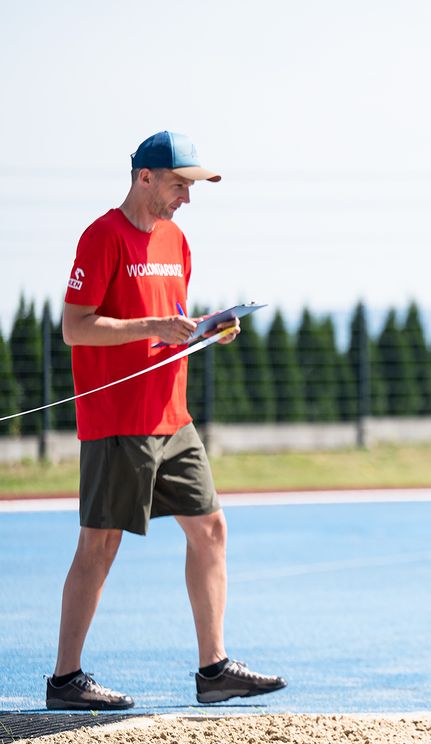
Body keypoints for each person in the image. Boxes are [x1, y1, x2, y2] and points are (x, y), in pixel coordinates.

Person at [46, 131, 286, 710]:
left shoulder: (178, 240)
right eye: (180, 184)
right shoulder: (102, 236)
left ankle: (214, 669)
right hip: (117, 418)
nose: (186, 197)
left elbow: (171, 319)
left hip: (172, 416)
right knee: (99, 545)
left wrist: (205, 327)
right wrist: (151, 328)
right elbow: (76, 327)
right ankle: (65, 680)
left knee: (211, 528)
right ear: (145, 177)